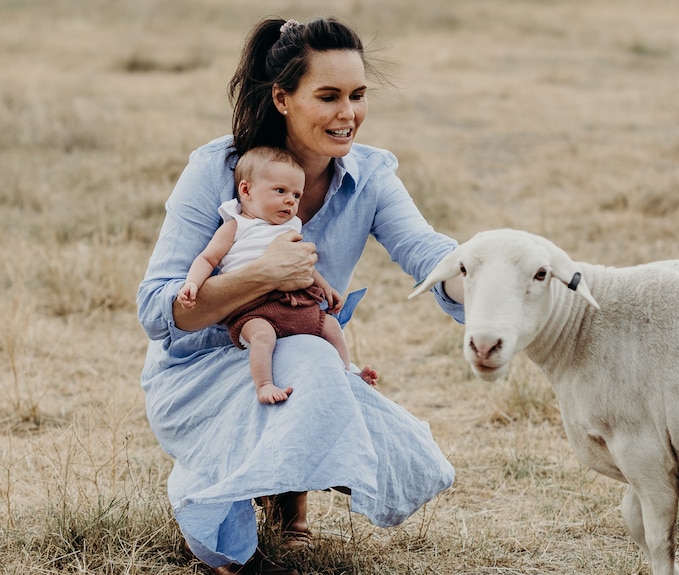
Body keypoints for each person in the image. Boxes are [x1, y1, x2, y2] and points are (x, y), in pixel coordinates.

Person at [137, 16, 465, 575]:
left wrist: (488, 276)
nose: (348, 115)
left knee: (318, 359)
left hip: (300, 353)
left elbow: (429, 253)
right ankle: (216, 504)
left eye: (358, 95)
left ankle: (289, 506)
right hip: (198, 370)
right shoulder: (217, 171)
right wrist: (263, 274)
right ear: (283, 98)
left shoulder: (371, 175)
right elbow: (158, 310)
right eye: (329, 96)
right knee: (307, 358)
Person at [177, 145, 378, 404]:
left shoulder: (290, 228)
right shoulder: (236, 226)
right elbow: (207, 258)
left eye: (296, 195)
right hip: (253, 309)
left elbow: (303, 264)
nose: (290, 201)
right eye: (280, 191)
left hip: (296, 305)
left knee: (330, 326)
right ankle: (264, 384)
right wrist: (192, 283)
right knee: (262, 337)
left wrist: (326, 288)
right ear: (246, 190)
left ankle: (347, 372)